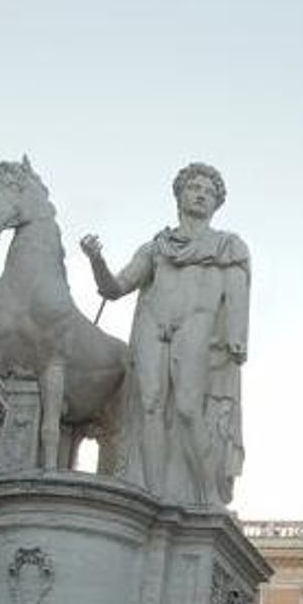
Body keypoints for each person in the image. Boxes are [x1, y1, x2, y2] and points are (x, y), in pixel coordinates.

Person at [80, 162, 249, 506]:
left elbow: (238, 294)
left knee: (189, 408)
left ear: (217, 203)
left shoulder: (228, 246)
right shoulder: (156, 248)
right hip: (152, 327)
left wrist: (237, 335)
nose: (201, 194)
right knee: (150, 408)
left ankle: (209, 496)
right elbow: (115, 288)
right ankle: (152, 499)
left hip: (195, 329)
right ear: (180, 195)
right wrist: (95, 258)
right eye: (194, 187)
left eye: (208, 191)